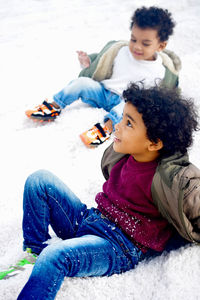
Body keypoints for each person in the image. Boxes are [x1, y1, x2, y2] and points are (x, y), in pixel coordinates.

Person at [17, 83, 200, 299]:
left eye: (129, 124)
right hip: (92, 220)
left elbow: (194, 206)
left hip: (118, 246)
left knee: (55, 256)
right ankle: (33, 249)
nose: (118, 126)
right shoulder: (123, 154)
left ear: (154, 143)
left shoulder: (174, 180)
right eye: (122, 118)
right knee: (39, 180)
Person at [25, 6, 180, 147]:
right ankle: (54, 106)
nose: (137, 46)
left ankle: (107, 127)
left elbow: (162, 98)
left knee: (129, 106)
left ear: (161, 46)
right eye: (133, 39)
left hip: (125, 104)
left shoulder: (160, 72)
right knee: (81, 83)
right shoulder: (120, 50)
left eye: (145, 44)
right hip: (103, 92)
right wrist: (89, 61)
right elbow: (102, 59)